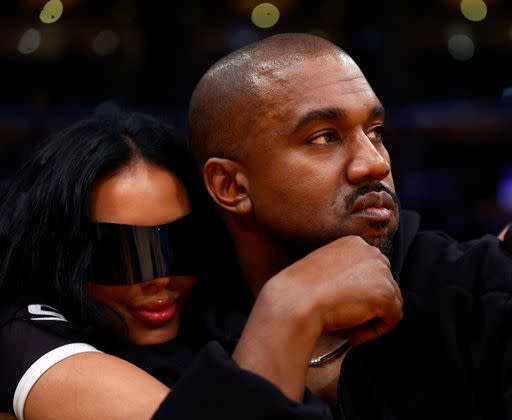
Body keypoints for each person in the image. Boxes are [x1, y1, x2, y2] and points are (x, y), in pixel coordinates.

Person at [186, 32, 512, 419]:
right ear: (231, 186)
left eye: (374, 130)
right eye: (325, 137)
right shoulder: (178, 338)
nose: (375, 162)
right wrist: (289, 306)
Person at [0, 109, 408, 419]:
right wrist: (290, 306)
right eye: (120, 255)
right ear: (63, 253)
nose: (158, 277)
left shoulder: (220, 296)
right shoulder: (22, 331)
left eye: (178, 244)